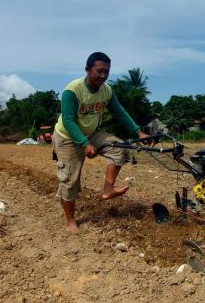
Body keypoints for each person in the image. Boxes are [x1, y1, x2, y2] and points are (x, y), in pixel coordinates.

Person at [53, 52, 150, 233]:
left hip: (90, 133)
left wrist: (139, 132)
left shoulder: (106, 91)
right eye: (99, 71)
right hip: (68, 137)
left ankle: (108, 190)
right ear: (88, 70)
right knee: (69, 180)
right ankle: (70, 220)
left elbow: (119, 112)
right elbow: (68, 120)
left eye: (106, 72)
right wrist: (84, 143)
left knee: (119, 149)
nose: (103, 76)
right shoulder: (72, 91)